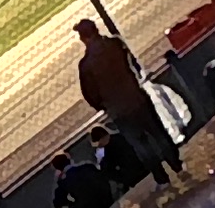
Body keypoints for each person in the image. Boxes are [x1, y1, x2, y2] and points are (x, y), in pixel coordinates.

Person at [73, 16, 184, 186]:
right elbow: (131, 64)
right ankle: (175, 163)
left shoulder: (86, 65)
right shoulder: (115, 44)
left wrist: (104, 105)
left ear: (84, 38)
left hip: (118, 109)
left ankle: (159, 174)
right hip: (136, 97)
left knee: (140, 143)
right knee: (157, 132)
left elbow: (89, 94)